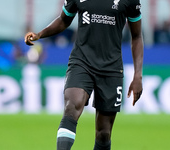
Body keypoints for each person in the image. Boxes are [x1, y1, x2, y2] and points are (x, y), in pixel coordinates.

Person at [24, 0, 143, 149]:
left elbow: (137, 36)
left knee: (104, 133)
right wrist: (40, 34)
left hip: (111, 69)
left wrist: (138, 75)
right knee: (71, 108)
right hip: (82, 62)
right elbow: (63, 20)